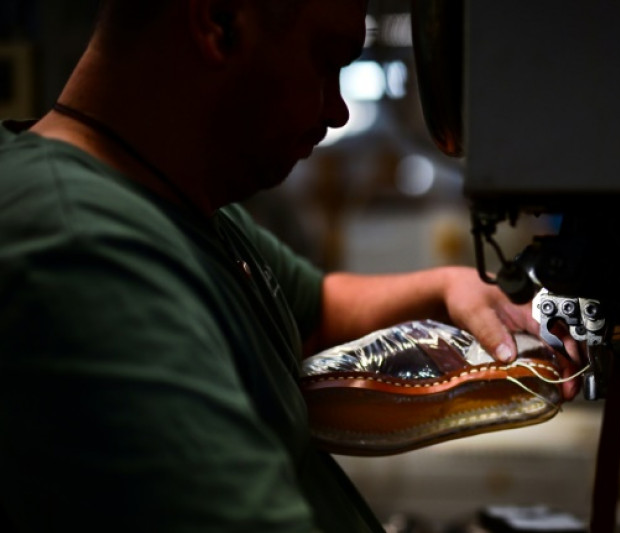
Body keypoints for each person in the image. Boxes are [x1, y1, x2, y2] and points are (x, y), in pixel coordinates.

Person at [0, 1, 581, 531]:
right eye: (325, 62)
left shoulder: (186, 210)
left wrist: (447, 285)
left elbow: (311, 310)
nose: (337, 110)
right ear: (219, 21)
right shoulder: (83, 248)